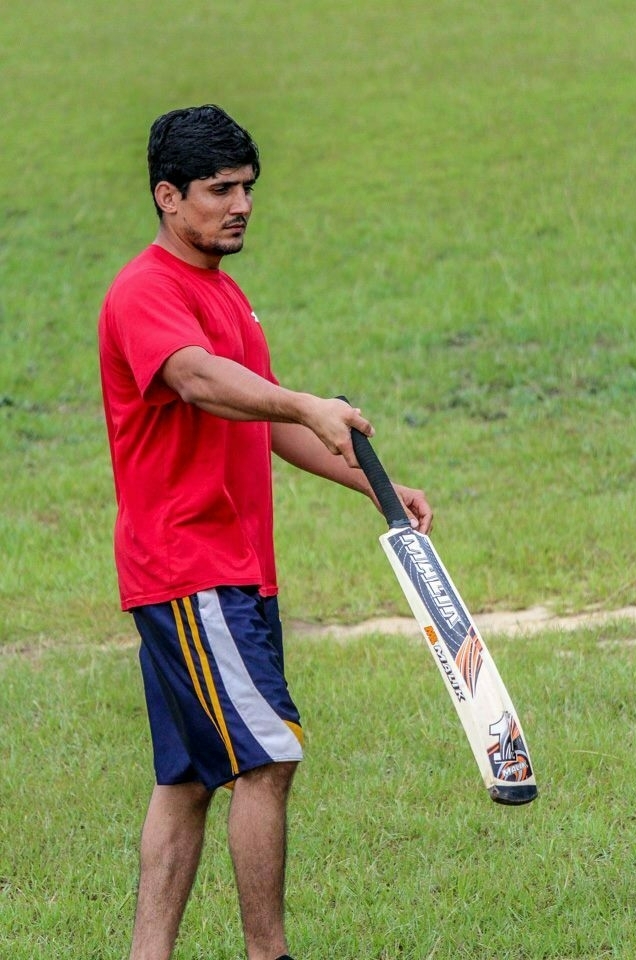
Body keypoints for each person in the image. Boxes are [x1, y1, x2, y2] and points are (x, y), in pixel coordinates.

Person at [98, 104, 433, 960]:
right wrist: (303, 401)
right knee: (270, 757)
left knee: (185, 783)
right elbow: (202, 381)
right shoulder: (146, 294)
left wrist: (379, 489)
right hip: (192, 569)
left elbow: (265, 421)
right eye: (220, 190)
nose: (241, 204)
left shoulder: (222, 291)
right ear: (168, 197)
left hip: (228, 573)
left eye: (248, 187)